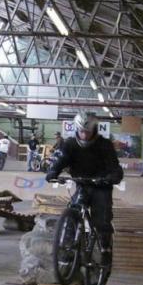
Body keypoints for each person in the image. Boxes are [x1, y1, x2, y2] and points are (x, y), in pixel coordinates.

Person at [46, 112, 123, 270]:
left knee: (101, 220)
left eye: (87, 131)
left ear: (94, 129)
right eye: (81, 131)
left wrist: (113, 177)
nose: (84, 135)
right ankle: (67, 249)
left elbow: (114, 166)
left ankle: (105, 249)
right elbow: (61, 159)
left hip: (101, 185)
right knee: (72, 212)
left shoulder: (104, 145)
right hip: (82, 183)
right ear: (77, 129)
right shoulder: (70, 144)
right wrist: (53, 172)